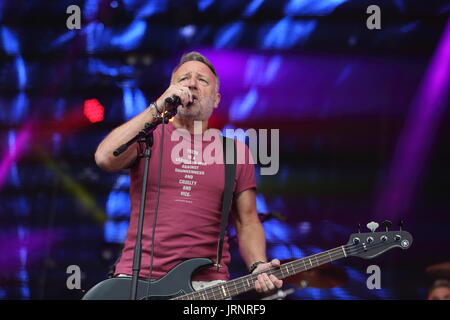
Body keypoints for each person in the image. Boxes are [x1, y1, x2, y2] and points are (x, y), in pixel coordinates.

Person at [94, 51, 282, 297]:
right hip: (136, 281)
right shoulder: (148, 136)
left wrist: (258, 265)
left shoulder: (234, 151)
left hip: (206, 285)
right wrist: (158, 107)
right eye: (184, 79)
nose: (192, 83)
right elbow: (104, 158)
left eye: (202, 80)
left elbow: (247, 221)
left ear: (216, 100)